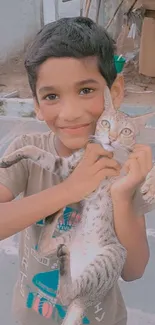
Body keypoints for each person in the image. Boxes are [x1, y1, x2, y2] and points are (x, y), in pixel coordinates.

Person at [0, 17, 152, 325]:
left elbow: (133, 270)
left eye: (86, 90)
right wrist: (71, 188)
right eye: (52, 96)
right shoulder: (28, 148)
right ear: (38, 106)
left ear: (115, 93)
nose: (70, 112)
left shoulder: (128, 169)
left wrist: (122, 197)